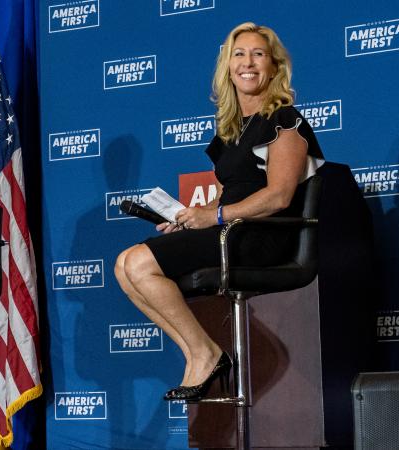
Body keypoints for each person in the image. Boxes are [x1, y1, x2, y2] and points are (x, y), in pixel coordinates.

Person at [114, 22, 324, 403]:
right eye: (239, 55)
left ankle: (205, 355)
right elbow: (231, 193)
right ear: (227, 67)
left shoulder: (285, 121)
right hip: (232, 228)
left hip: (263, 236)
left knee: (141, 263)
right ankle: (200, 353)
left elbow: (278, 196)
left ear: (274, 67)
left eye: (259, 54)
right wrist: (190, 218)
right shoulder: (231, 132)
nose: (248, 62)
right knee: (125, 265)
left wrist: (215, 218)